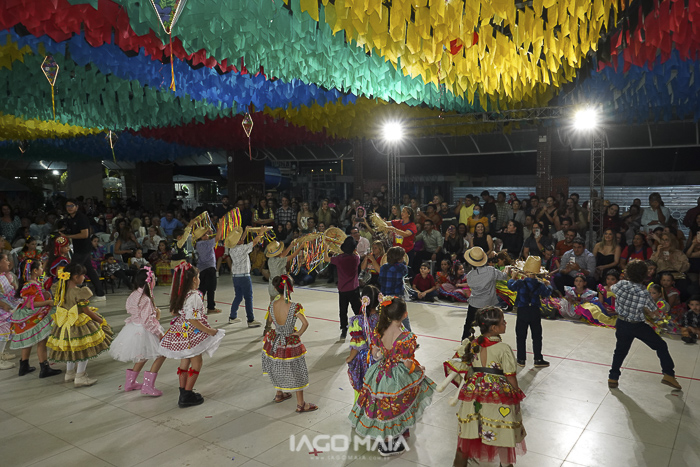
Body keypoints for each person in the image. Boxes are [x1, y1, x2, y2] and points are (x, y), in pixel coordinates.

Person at [348, 296, 435, 457]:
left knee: (383, 407)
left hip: (380, 372)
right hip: (397, 375)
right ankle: (390, 443)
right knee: (395, 405)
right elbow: (408, 364)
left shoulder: (380, 331)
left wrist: (385, 354)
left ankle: (384, 437)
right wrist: (419, 368)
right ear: (405, 314)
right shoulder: (406, 337)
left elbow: (375, 354)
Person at [448, 307, 527, 467]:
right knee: (503, 433)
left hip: (474, 394)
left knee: (468, 432)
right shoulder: (503, 348)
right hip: (498, 395)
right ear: (494, 328)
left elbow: (464, 367)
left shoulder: (472, 344)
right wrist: (516, 397)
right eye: (503, 321)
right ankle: (506, 464)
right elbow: (510, 376)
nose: (505, 323)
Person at [607, 260, 682, 390]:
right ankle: (669, 374)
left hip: (621, 323)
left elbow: (611, 289)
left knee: (620, 351)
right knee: (661, 345)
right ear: (644, 275)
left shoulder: (621, 284)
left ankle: (613, 378)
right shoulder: (644, 292)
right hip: (637, 325)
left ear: (628, 273)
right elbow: (654, 311)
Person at [159, 263, 225, 407]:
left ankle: (183, 391)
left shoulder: (181, 293)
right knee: (197, 362)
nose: (199, 280)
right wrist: (209, 331)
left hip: (181, 330)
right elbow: (192, 319)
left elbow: (175, 312)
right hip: (191, 332)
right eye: (198, 277)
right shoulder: (194, 296)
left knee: (185, 361)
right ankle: (187, 394)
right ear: (194, 279)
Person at [47, 262, 113, 386]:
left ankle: (69, 373)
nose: (84, 277)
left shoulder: (59, 288)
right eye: (83, 275)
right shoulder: (80, 292)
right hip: (78, 324)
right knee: (84, 349)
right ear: (76, 277)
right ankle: (80, 376)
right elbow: (86, 311)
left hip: (64, 323)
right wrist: (100, 321)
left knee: (72, 348)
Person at [262, 275, 317, 412]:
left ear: (276, 289)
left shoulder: (272, 305)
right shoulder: (294, 306)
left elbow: (270, 320)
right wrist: (298, 333)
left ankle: (279, 393)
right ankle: (301, 404)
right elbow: (305, 323)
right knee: (297, 370)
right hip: (289, 341)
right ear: (291, 289)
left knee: (278, 365)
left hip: (276, 339)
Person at [109, 267, 167, 396]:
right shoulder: (145, 299)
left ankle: (130, 382)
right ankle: (148, 386)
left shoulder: (134, 294)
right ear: (149, 281)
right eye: (154, 278)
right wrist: (159, 333)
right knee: (162, 354)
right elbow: (147, 321)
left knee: (142, 355)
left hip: (134, 327)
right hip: (145, 330)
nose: (155, 281)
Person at [9, 259, 61, 377]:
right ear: (35, 271)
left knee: (28, 341)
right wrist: (48, 302)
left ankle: (24, 366)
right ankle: (44, 367)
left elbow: (33, 299)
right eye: (40, 267)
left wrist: (44, 295)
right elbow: (29, 304)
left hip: (29, 316)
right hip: (34, 316)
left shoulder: (30, 283)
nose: (42, 269)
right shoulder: (31, 285)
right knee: (41, 341)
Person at [507, 258, 552, 368]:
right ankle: (538, 358)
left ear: (526, 271)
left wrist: (513, 277)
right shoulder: (540, 284)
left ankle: (521, 359)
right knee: (537, 336)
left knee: (521, 336)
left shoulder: (520, 283)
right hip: (535, 311)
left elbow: (510, 287)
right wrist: (549, 285)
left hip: (522, 311)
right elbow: (547, 293)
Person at [462, 247, 508, 340]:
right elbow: (504, 276)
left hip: (474, 304)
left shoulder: (470, 275)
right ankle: (490, 343)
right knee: (489, 328)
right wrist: (507, 269)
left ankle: (464, 343)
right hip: (488, 304)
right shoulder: (491, 271)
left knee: (468, 325)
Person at [63, 199, 105, 301]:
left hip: (84, 248)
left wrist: (68, 236)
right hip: (78, 248)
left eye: (71, 206)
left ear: (77, 207)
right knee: (90, 271)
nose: (69, 208)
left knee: (72, 269)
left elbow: (85, 234)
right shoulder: (70, 218)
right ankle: (100, 294)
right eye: (67, 206)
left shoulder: (81, 218)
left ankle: (67, 294)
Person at [228, 227, 271, 328]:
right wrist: (261, 233)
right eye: (240, 238)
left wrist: (245, 231)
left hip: (236, 277)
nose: (242, 239)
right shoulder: (242, 248)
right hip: (244, 277)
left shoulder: (232, 249)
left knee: (238, 296)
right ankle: (250, 319)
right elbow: (254, 242)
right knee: (248, 298)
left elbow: (241, 241)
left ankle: (232, 316)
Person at [346, 285, 381, 401]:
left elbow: (357, 345)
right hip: (380, 356)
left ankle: (362, 407)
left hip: (364, 360)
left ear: (362, 300)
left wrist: (350, 358)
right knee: (378, 386)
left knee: (364, 386)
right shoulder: (383, 318)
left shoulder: (358, 321)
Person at [327, 237, 361, 339]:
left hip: (343, 289)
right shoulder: (356, 258)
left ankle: (344, 329)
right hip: (354, 288)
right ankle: (362, 326)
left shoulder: (339, 259)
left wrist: (325, 248)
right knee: (357, 309)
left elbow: (326, 259)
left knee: (343, 310)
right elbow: (357, 254)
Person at [378, 246, 411, 331]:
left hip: (385, 297)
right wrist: (403, 262)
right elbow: (405, 272)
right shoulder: (402, 267)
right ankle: (408, 334)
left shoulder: (383, 267)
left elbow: (380, 280)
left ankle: (383, 334)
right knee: (403, 316)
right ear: (399, 258)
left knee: (385, 317)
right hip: (397, 297)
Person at [195, 228, 222, 314]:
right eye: (204, 235)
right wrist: (220, 226)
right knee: (211, 289)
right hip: (210, 268)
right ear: (200, 237)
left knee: (202, 289)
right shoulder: (207, 243)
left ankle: (197, 308)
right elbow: (217, 237)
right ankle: (211, 307)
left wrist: (210, 233)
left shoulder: (198, 244)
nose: (207, 235)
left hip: (201, 269)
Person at [0, 253, 19, 369]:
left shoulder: (3, 275)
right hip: (2, 309)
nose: (9, 262)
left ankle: (1, 353)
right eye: (6, 260)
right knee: (3, 332)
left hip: (5, 306)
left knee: (6, 331)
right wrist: (3, 304)